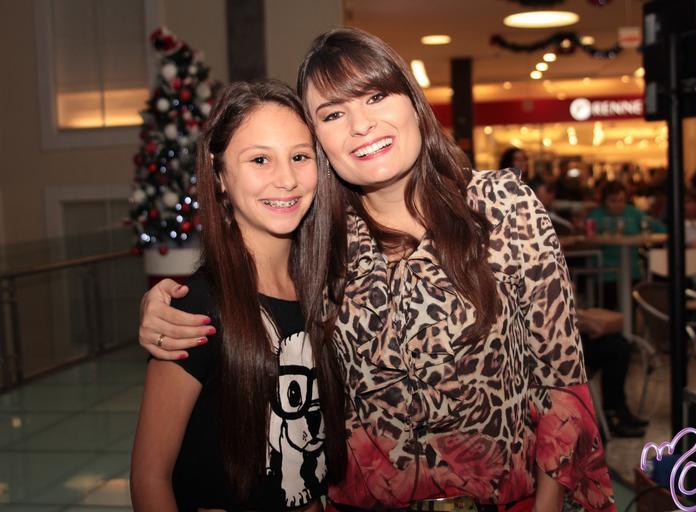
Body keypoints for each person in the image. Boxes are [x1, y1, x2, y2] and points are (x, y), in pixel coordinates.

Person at [137, 28, 615, 512]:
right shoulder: (321, 238)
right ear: (319, 141)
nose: (361, 125)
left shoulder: (501, 206)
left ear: (413, 101)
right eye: (333, 114)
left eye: (376, 96)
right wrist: (161, 307)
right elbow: (251, 286)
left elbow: (562, 382)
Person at [130, 81, 346, 511]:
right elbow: (149, 477)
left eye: (300, 157)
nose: (286, 179)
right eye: (260, 159)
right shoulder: (198, 308)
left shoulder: (324, 291)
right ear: (219, 176)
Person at [586, 181, 665, 306]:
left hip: (633, 271)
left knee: (631, 306)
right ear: (604, 201)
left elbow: (660, 229)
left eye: (621, 200)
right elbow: (587, 238)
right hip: (605, 272)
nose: (617, 204)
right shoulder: (595, 215)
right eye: (613, 200)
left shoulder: (634, 213)